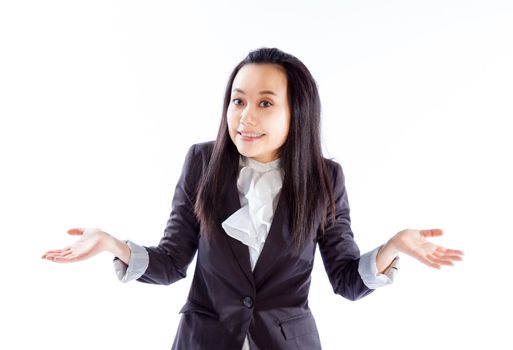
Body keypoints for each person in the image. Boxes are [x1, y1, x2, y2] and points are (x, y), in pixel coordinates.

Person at [42, 47, 463, 350]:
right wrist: (112, 245)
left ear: (297, 113)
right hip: (204, 341)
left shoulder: (324, 178)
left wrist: (391, 249)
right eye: (238, 100)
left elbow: (348, 281)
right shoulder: (201, 161)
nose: (245, 116)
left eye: (265, 103)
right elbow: (172, 262)